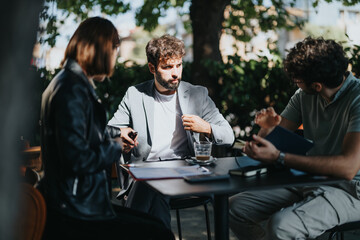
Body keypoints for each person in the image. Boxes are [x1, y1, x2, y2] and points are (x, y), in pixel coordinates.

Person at [39, 17, 174, 240]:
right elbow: (77, 159)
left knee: (156, 225)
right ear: (102, 51)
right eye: (114, 53)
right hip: (75, 211)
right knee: (158, 233)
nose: (114, 62)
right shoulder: (72, 90)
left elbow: (78, 131)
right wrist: (114, 147)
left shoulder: (67, 82)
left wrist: (115, 132)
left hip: (77, 203)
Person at [229, 36, 360, 240]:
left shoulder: (357, 98)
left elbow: (348, 168)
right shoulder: (303, 95)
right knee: (235, 208)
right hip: (311, 178)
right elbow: (269, 144)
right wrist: (266, 128)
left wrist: (280, 157)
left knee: (282, 226)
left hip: (351, 190)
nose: (295, 84)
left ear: (317, 86)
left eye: (298, 80)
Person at [108, 34, 234, 228]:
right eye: (167, 67)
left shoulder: (197, 94)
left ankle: (125, 230)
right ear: (152, 68)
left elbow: (229, 136)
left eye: (179, 65)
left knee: (150, 185)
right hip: (148, 171)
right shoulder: (135, 95)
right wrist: (121, 133)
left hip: (187, 173)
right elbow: (111, 129)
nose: (175, 73)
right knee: (155, 188)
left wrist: (207, 128)